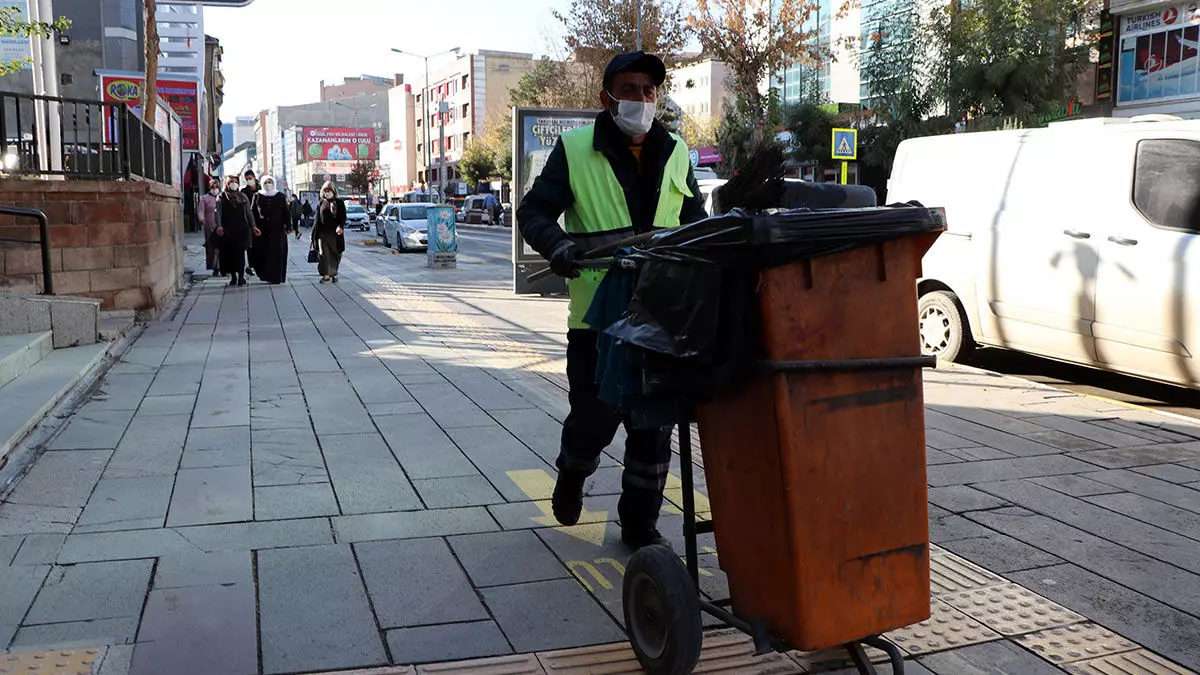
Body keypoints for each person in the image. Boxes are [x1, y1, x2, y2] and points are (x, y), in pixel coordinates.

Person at [517, 51, 707, 551]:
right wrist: (558, 247)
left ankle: (639, 524)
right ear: (606, 98)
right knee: (595, 418)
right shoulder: (576, 149)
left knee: (654, 425)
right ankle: (573, 472)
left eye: (649, 91)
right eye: (629, 90)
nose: (640, 99)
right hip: (596, 317)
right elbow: (533, 213)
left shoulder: (677, 151)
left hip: (660, 315)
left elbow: (693, 222)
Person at [215, 176, 255, 287]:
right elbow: (218, 212)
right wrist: (219, 226)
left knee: (240, 253)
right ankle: (233, 276)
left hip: (242, 229)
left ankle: (241, 276)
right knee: (230, 254)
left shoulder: (243, 196)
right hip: (227, 230)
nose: (233, 184)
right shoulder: (221, 197)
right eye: (231, 182)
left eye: (236, 182)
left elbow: (248, 213)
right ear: (226, 184)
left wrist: (253, 226)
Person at [252, 176, 290, 284]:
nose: (268, 184)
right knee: (263, 253)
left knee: (277, 253)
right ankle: (264, 274)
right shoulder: (258, 196)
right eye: (266, 182)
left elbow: (286, 212)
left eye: (270, 182)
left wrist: (289, 226)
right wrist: (253, 226)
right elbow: (253, 212)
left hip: (277, 230)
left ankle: (277, 277)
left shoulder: (280, 196)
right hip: (262, 230)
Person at [313, 181, 346, 284]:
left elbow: (343, 217)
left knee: (335, 254)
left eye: (329, 190)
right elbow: (317, 219)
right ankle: (326, 275)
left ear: (333, 191)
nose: (327, 192)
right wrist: (314, 232)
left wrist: (340, 227)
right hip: (322, 234)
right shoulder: (321, 203)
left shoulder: (339, 203)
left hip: (335, 234)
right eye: (325, 190)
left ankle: (334, 273)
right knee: (324, 254)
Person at [199, 179, 221, 276]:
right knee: (212, 247)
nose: (215, 189)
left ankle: (223, 266)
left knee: (222, 247)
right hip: (210, 226)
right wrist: (202, 219)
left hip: (220, 225)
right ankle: (214, 267)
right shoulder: (204, 198)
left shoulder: (221, 197)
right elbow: (200, 211)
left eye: (216, 187)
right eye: (213, 187)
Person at [242, 170, 261, 276]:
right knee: (251, 244)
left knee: (261, 243)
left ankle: (259, 264)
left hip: (261, 220)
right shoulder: (244, 191)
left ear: (254, 177)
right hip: (249, 221)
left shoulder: (261, 188)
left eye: (250, 178)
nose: (249, 180)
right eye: (247, 179)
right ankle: (251, 265)